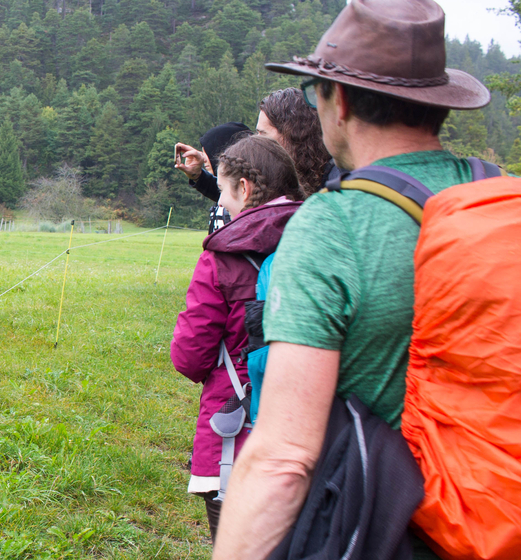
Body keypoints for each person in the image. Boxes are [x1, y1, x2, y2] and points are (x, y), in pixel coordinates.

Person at [211, 1, 491, 558]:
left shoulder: (331, 226)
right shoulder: (497, 195)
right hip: (497, 510)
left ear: (335, 99)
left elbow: (284, 459)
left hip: (381, 525)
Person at [170, 134, 304, 540]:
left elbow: (190, 355)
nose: (222, 205)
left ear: (244, 189)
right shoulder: (317, 237)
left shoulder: (221, 256)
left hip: (235, 428)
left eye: (224, 192)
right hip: (311, 430)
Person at [256, 88, 334, 196]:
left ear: (291, 134)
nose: (255, 142)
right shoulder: (274, 180)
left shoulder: (334, 185)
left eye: (263, 134)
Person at [174, 122, 250, 233]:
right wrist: (197, 176)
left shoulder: (247, 198)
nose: (203, 159)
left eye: (208, 153)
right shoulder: (237, 192)